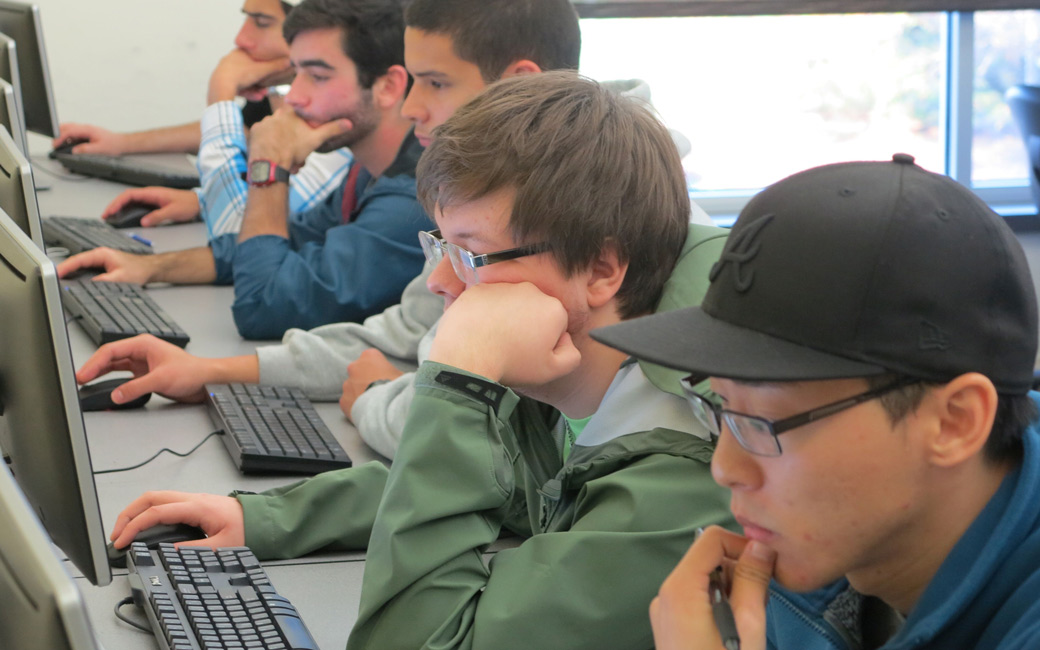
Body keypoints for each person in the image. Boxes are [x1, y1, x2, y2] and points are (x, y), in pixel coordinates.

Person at [98, 72, 736, 649]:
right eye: (440, 244)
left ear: (600, 269)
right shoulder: (578, 389)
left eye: (470, 252)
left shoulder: (676, 485)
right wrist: (262, 517)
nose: (439, 282)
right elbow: (502, 480)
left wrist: (458, 378)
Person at [71, 0, 584, 458]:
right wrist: (203, 363)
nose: (411, 107)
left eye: (435, 82)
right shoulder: (455, 192)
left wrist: (378, 399)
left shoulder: (526, 211)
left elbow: (267, 301)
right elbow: (401, 332)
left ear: (519, 80)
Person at [593, 154, 1040, 649]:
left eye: (765, 421)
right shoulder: (821, 556)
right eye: (720, 407)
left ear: (954, 422)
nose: (725, 468)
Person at [57, 0, 432, 341]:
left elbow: (263, 305)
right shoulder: (366, 170)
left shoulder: (412, 199)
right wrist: (149, 268)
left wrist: (269, 166)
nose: (295, 97)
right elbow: (289, 239)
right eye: (296, 73)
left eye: (317, 76)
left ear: (387, 86)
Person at [56, 0, 354, 236]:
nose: (241, 38)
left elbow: (239, 230)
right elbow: (241, 131)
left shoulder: (342, 122)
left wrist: (222, 90)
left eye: (261, 22)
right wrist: (121, 143)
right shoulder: (287, 98)